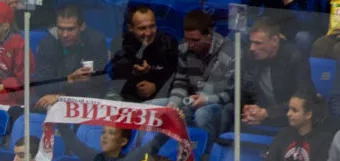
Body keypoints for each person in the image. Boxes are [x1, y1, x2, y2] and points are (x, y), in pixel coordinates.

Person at [161, 9, 235, 143]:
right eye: (188, 39)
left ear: (209, 35)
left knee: (202, 115)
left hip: (219, 104)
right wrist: (173, 103)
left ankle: (206, 156)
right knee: (155, 107)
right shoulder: (184, 48)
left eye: (195, 40)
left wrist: (207, 100)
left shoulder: (230, 53)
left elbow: (232, 93)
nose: (191, 45)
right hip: (192, 101)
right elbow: (181, 82)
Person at [34, 3, 109, 111]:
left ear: (82, 26)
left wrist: (61, 97)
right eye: (61, 28)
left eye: (70, 29)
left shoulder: (96, 42)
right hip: (50, 97)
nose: (65, 35)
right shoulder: (47, 44)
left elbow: (96, 83)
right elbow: (41, 84)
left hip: (85, 100)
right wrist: (69, 80)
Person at [241, 18, 314, 128]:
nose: (252, 48)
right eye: (251, 42)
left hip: (291, 117)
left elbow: (304, 97)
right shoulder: (251, 56)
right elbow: (245, 88)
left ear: (274, 41)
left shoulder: (295, 58)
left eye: (258, 43)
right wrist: (249, 107)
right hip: (263, 113)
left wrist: (267, 112)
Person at [108, 4, 177, 103]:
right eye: (142, 28)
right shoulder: (120, 43)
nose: (148, 33)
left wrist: (156, 86)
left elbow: (179, 77)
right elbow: (114, 75)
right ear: (130, 28)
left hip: (160, 99)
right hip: (127, 99)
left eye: (152, 26)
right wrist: (133, 73)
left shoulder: (168, 43)